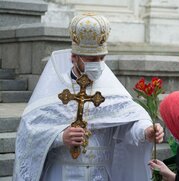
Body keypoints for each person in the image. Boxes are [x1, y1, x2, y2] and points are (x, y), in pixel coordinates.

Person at [13, 13, 164, 181]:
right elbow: (30, 133)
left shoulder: (110, 90)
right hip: (61, 174)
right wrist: (60, 137)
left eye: (102, 58)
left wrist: (146, 131)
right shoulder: (54, 92)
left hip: (98, 175)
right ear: (73, 57)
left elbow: (129, 121)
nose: (98, 64)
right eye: (91, 58)